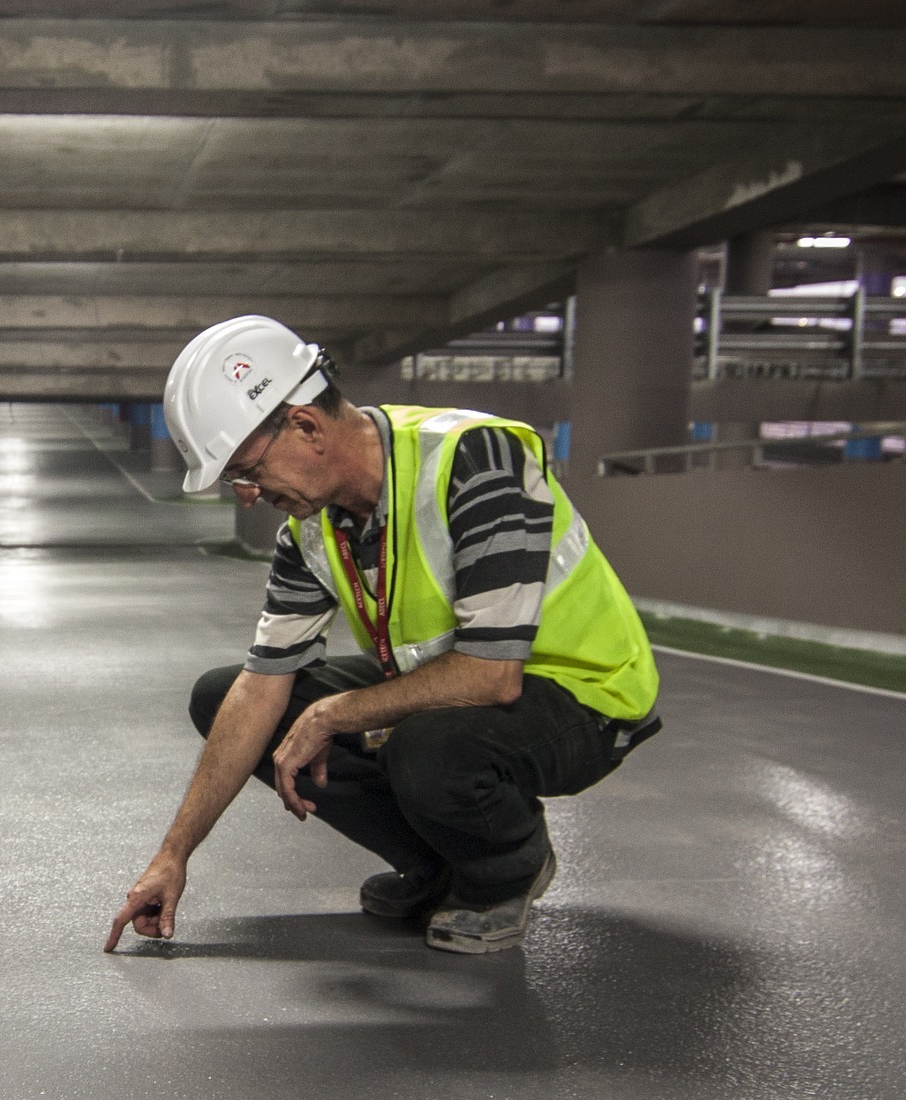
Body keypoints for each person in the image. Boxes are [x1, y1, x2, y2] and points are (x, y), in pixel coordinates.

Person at [107, 316, 660, 956]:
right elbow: (261, 691)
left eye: (243, 471)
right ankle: (437, 865)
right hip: (464, 689)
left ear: (307, 426)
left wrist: (334, 713)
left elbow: (492, 675)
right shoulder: (312, 531)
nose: (249, 496)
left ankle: (504, 871)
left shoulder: (475, 458)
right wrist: (173, 855)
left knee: (425, 746)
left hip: (583, 696)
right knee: (224, 696)